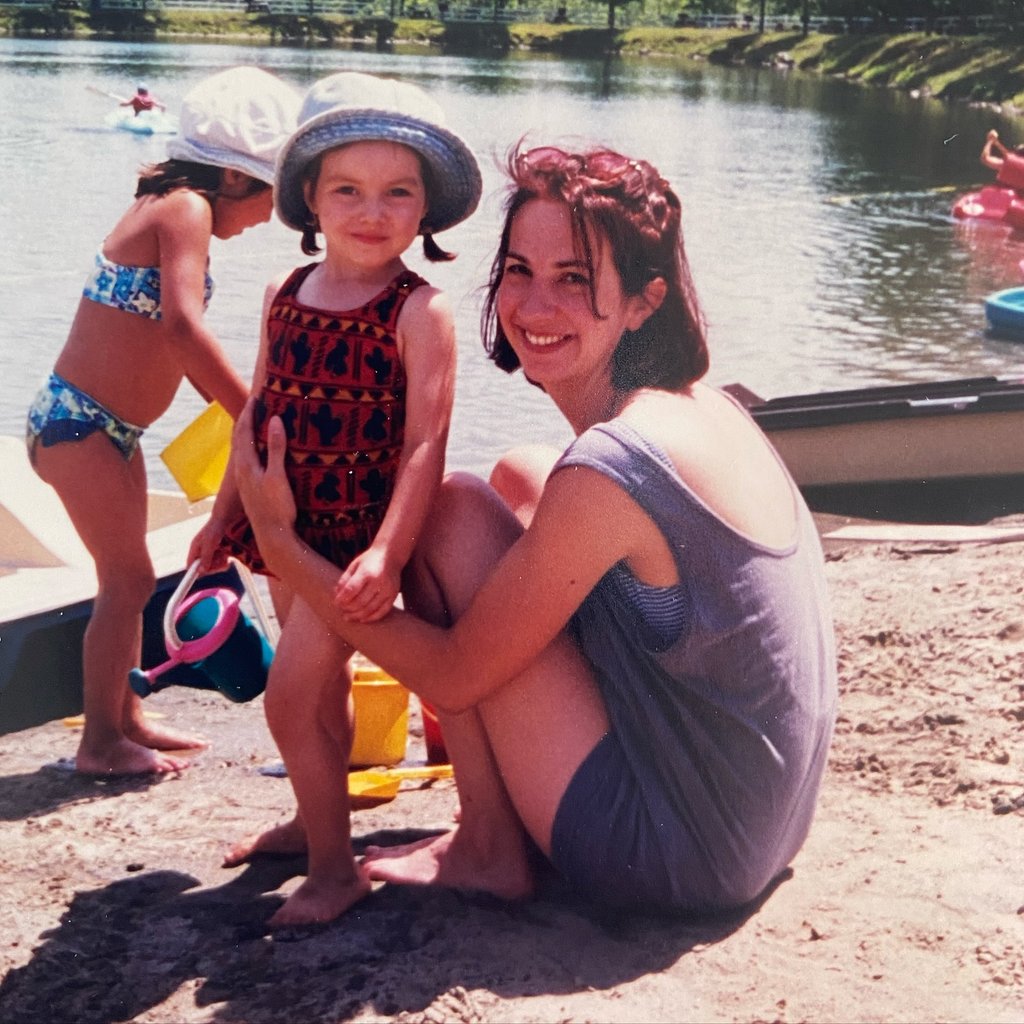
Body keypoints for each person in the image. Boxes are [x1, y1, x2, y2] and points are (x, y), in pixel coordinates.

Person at [227, 142, 839, 918]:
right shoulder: (703, 404)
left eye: (574, 280)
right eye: (520, 270)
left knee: (448, 516)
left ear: (646, 301)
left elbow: (450, 677)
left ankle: (489, 849)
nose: (534, 306)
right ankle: (490, 826)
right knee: (518, 470)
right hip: (761, 827)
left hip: (672, 854)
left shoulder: (614, 465)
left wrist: (282, 546)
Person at [188, 71, 482, 927]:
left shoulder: (417, 309)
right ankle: (321, 817)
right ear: (309, 198)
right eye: (347, 189)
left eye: (398, 192)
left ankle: (334, 872)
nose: (371, 210)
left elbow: (427, 442)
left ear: (425, 210)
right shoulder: (286, 291)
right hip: (278, 521)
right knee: (318, 696)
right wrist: (219, 518)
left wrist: (390, 553)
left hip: (352, 536)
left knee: (286, 695)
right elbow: (257, 414)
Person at [25, 67, 300, 778]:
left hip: (105, 427)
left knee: (132, 577)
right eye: (275, 194)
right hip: (80, 425)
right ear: (236, 178)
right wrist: (252, 413)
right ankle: (98, 745)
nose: (274, 215)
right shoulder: (187, 209)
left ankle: (126, 716)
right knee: (125, 578)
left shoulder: (166, 199)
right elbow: (181, 327)